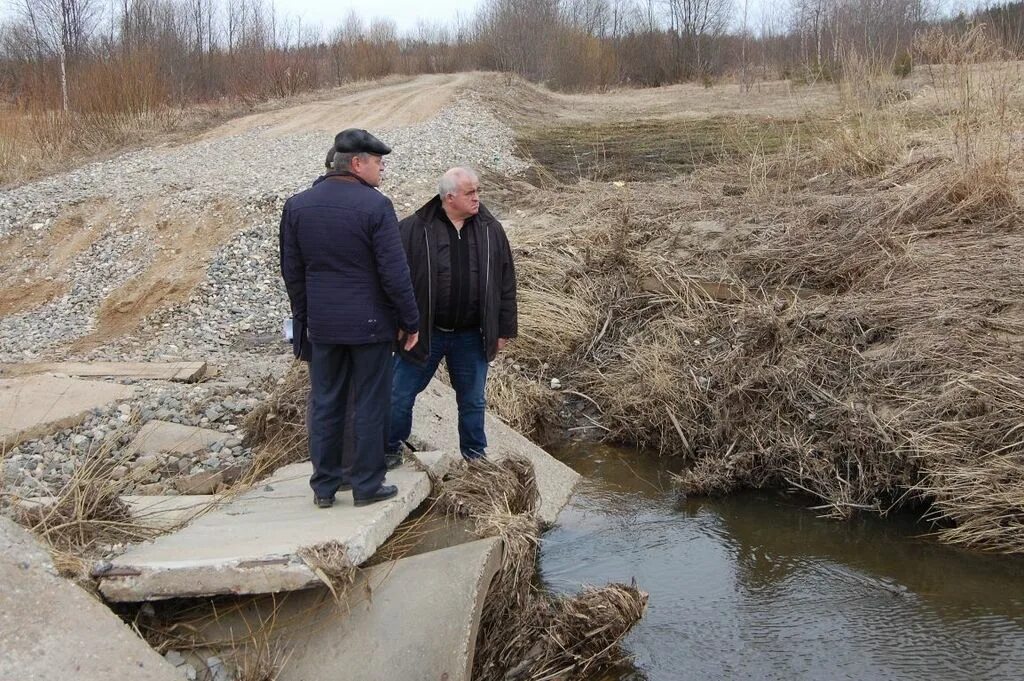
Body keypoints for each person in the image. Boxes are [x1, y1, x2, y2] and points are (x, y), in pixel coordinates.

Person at [280, 129, 419, 508]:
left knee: (326, 402)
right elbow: (395, 272)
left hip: (323, 326)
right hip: (370, 328)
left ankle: (325, 487)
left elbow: (292, 271)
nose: (382, 168)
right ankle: (366, 485)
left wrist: (305, 321)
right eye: (377, 162)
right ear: (357, 163)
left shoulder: (298, 205)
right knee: (370, 404)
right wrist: (411, 320)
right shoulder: (376, 207)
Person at [388, 166, 517, 465]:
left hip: (472, 334)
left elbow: (506, 281)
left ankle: (474, 457)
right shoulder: (412, 229)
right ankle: (389, 449)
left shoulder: (490, 229)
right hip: (424, 332)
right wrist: (398, 324)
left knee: (472, 401)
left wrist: (503, 329)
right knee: (399, 394)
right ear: (449, 198)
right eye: (470, 192)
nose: (477, 198)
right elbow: (393, 281)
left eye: (477, 191)